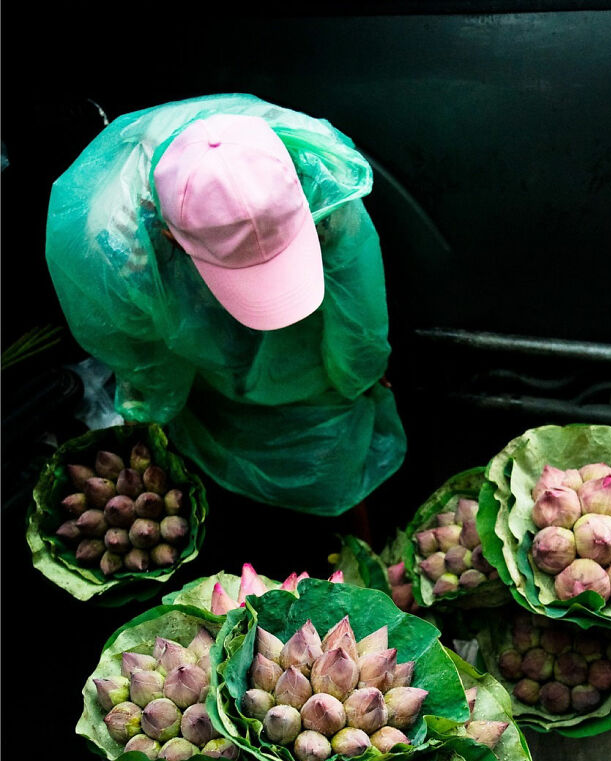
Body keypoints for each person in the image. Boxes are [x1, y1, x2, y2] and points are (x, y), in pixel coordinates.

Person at [46, 93, 406, 517]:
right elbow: (146, 358)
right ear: (170, 237)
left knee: (329, 444)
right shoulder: (118, 248)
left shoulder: (312, 173)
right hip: (199, 345)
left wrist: (360, 372)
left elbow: (354, 296)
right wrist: (155, 410)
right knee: (222, 419)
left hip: (305, 342)